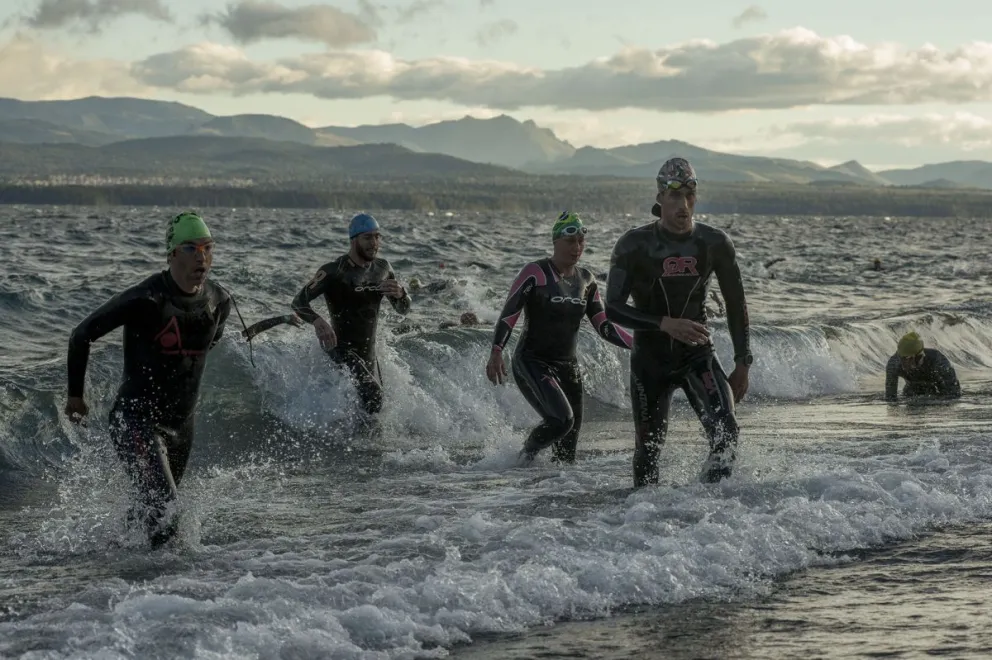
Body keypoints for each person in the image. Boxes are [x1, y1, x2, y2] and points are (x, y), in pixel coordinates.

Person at [64, 211, 234, 548]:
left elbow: (208, 344)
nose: (201, 256)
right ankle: (162, 595)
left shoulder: (219, 301)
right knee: (167, 513)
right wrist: (75, 398)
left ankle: (124, 563)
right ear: (171, 254)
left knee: (153, 510)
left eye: (207, 247)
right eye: (190, 248)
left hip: (182, 426)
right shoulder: (146, 299)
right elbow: (81, 334)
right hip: (137, 420)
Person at [605, 158, 752, 486]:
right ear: (659, 198)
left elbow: (735, 302)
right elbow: (612, 308)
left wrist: (743, 361)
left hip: (696, 355)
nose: (683, 205)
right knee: (648, 452)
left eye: (690, 195)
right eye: (674, 197)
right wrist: (663, 323)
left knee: (726, 433)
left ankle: (704, 509)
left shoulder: (714, 244)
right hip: (650, 361)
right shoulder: (634, 245)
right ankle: (644, 521)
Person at [485, 211, 633, 465]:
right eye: (570, 242)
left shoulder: (587, 280)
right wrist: (497, 350)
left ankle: (556, 491)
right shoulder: (535, 272)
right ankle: (523, 460)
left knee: (567, 452)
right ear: (556, 242)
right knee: (561, 420)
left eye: (580, 242)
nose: (577, 248)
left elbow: (603, 326)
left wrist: (637, 343)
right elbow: (510, 313)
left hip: (568, 368)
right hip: (532, 362)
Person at [291, 213, 411, 429]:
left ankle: (359, 453)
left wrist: (401, 295)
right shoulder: (334, 271)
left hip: (368, 354)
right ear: (353, 240)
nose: (374, 244)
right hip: (340, 349)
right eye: (367, 238)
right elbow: (298, 302)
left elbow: (403, 310)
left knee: (372, 411)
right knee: (374, 399)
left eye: (377, 237)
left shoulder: (383, 268)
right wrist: (318, 321)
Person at [885, 332, 961, 401]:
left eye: (909, 359)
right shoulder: (894, 364)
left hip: (938, 387)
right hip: (912, 389)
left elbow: (954, 391)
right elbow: (890, 397)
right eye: (903, 358)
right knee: (910, 392)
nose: (906, 363)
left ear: (920, 356)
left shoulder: (936, 359)